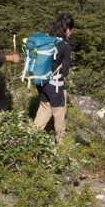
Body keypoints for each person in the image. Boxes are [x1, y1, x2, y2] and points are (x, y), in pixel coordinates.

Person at [33, 14, 74, 145]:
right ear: (67, 29)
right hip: (56, 86)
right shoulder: (65, 47)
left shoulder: (46, 41)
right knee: (60, 117)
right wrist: (66, 61)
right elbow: (65, 73)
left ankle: (29, 140)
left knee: (44, 111)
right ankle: (61, 149)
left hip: (42, 83)